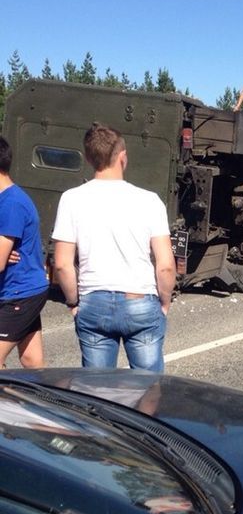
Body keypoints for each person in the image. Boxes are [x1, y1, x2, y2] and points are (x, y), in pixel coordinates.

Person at [53, 123, 176, 372]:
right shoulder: (149, 200)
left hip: (93, 302)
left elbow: (63, 264)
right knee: (149, 390)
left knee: (98, 392)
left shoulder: (71, 199)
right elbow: (165, 265)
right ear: (123, 157)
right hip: (140, 300)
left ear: (88, 158)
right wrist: (164, 303)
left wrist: (73, 303)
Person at [0, 136, 49, 368]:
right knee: (32, 361)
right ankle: (49, 401)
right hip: (22, 289)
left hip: (19, 292)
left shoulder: (11, 204)